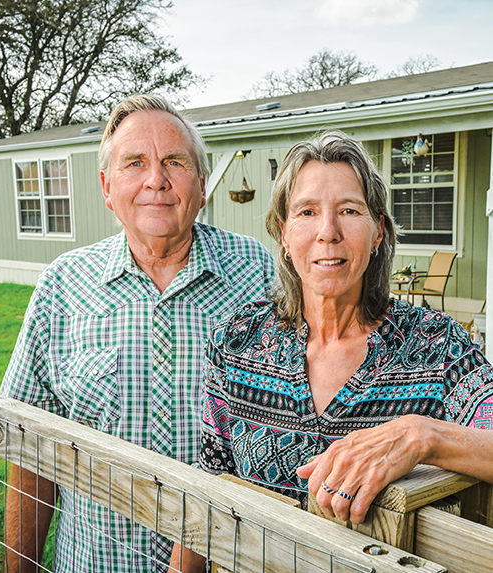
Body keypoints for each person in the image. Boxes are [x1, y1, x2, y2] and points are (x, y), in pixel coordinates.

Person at [171, 130, 493, 571]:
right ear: (284, 234)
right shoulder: (237, 341)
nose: (328, 232)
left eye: (349, 210)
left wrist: (423, 435)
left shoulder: (437, 347)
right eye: (307, 212)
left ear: (378, 231)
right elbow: (207, 482)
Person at [1, 94, 274, 573]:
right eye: (135, 163)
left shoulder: (259, 274)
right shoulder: (63, 285)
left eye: (174, 161)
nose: (156, 180)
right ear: (107, 187)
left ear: (203, 185)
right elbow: (28, 449)